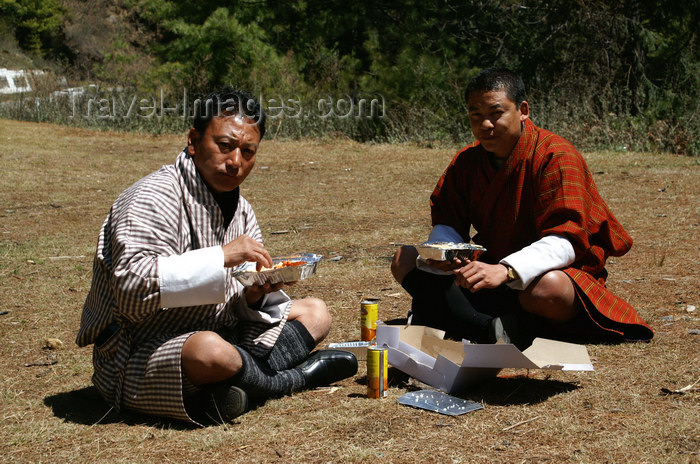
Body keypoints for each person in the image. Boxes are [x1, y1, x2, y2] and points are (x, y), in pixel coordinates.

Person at [76, 88, 357, 426]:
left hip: (220, 332)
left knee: (316, 312)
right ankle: (290, 380)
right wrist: (221, 256)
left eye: (248, 151)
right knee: (211, 351)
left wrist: (253, 296)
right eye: (225, 146)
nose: (236, 161)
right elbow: (131, 291)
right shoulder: (150, 197)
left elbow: (235, 300)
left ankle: (234, 388)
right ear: (194, 141)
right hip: (138, 352)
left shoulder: (242, 210)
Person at [391, 67, 653, 349]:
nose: (486, 125)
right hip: (491, 267)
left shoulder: (556, 156)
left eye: (496, 113)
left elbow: (566, 240)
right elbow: (448, 220)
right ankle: (487, 324)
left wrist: (506, 270)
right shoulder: (467, 161)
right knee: (404, 259)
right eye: (475, 115)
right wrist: (447, 254)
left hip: (553, 272)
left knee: (546, 290)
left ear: (523, 110)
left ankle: (466, 318)